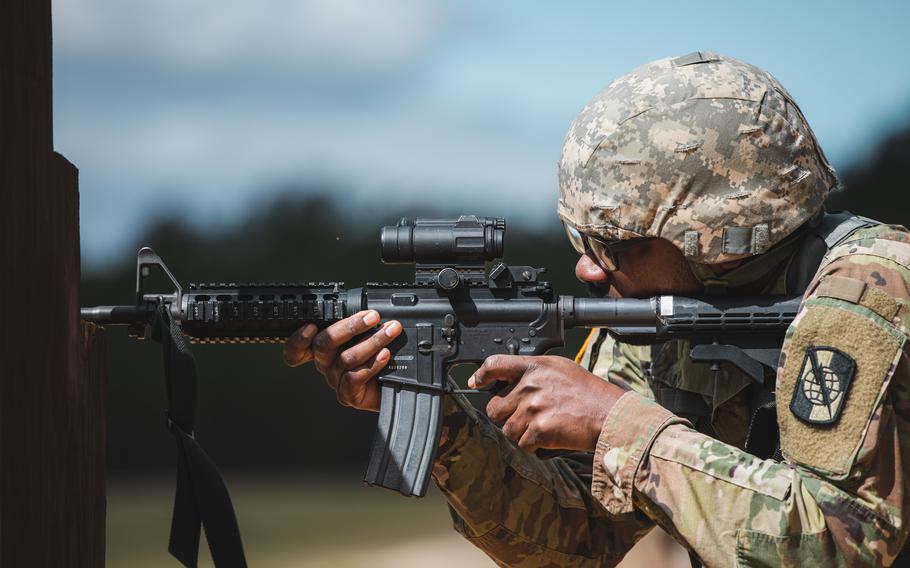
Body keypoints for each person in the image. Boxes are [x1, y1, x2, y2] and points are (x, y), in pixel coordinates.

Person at [283, 52, 910, 566]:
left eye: (620, 243)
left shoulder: (866, 289)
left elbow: (845, 543)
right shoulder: (659, 316)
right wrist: (441, 419)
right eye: (583, 240)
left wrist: (619, 425)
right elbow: (573, 541)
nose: (587, 267)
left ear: (721, 230)